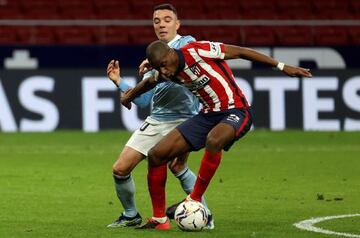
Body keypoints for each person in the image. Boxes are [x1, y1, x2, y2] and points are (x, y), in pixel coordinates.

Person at [120, 40, 312, 229]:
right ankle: (159, 220)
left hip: (236, 111)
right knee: (156, 155)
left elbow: (241, 52)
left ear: (171, 53)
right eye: (157, 67)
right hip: (207, 115)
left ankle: (194, 198)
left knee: (214, 140)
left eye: (162, 65)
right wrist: (129, 96)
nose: (163, 71)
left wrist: (281, 66)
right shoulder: (167, 71)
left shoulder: (197, 51)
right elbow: (149, 82)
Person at [106, 3, 212, 230]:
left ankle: (206, 215)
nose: (162, 24)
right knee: (120, 169)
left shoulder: (187, 43)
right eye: (157, 21)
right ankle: (130, 214)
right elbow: (144, 101)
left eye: (166, 19)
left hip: (186, 120)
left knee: (177, 167)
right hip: (158, 120)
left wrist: (154, 66)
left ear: (177, 24)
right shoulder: (155, 56)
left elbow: (186, 58)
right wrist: (118, 81)